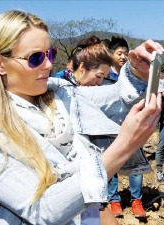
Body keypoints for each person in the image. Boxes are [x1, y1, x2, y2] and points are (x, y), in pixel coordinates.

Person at [0, 10, 163, 225]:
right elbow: (43, 211)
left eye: (50, 54)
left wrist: (138, 72)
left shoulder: (62, 92)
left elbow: (114, 96)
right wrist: (123, 147)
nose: (48, 65)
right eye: (35, 58)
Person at [54, 35, 118, 225]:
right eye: (98, 77)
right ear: (82, 68)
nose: (99, 83)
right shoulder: (58, 89)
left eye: (103, 79)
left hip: (91, 176)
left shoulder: (86, 94)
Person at [102, 36, 149, 219]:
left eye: (125, 53)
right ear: (111, 54)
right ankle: (114, 201)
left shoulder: (132, 78)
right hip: (109, 127)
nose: (122, 56)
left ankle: (136, 201)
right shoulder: (104, 77)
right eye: (118, 53)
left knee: (135, 165)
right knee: (112, 163)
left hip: (132, 126)